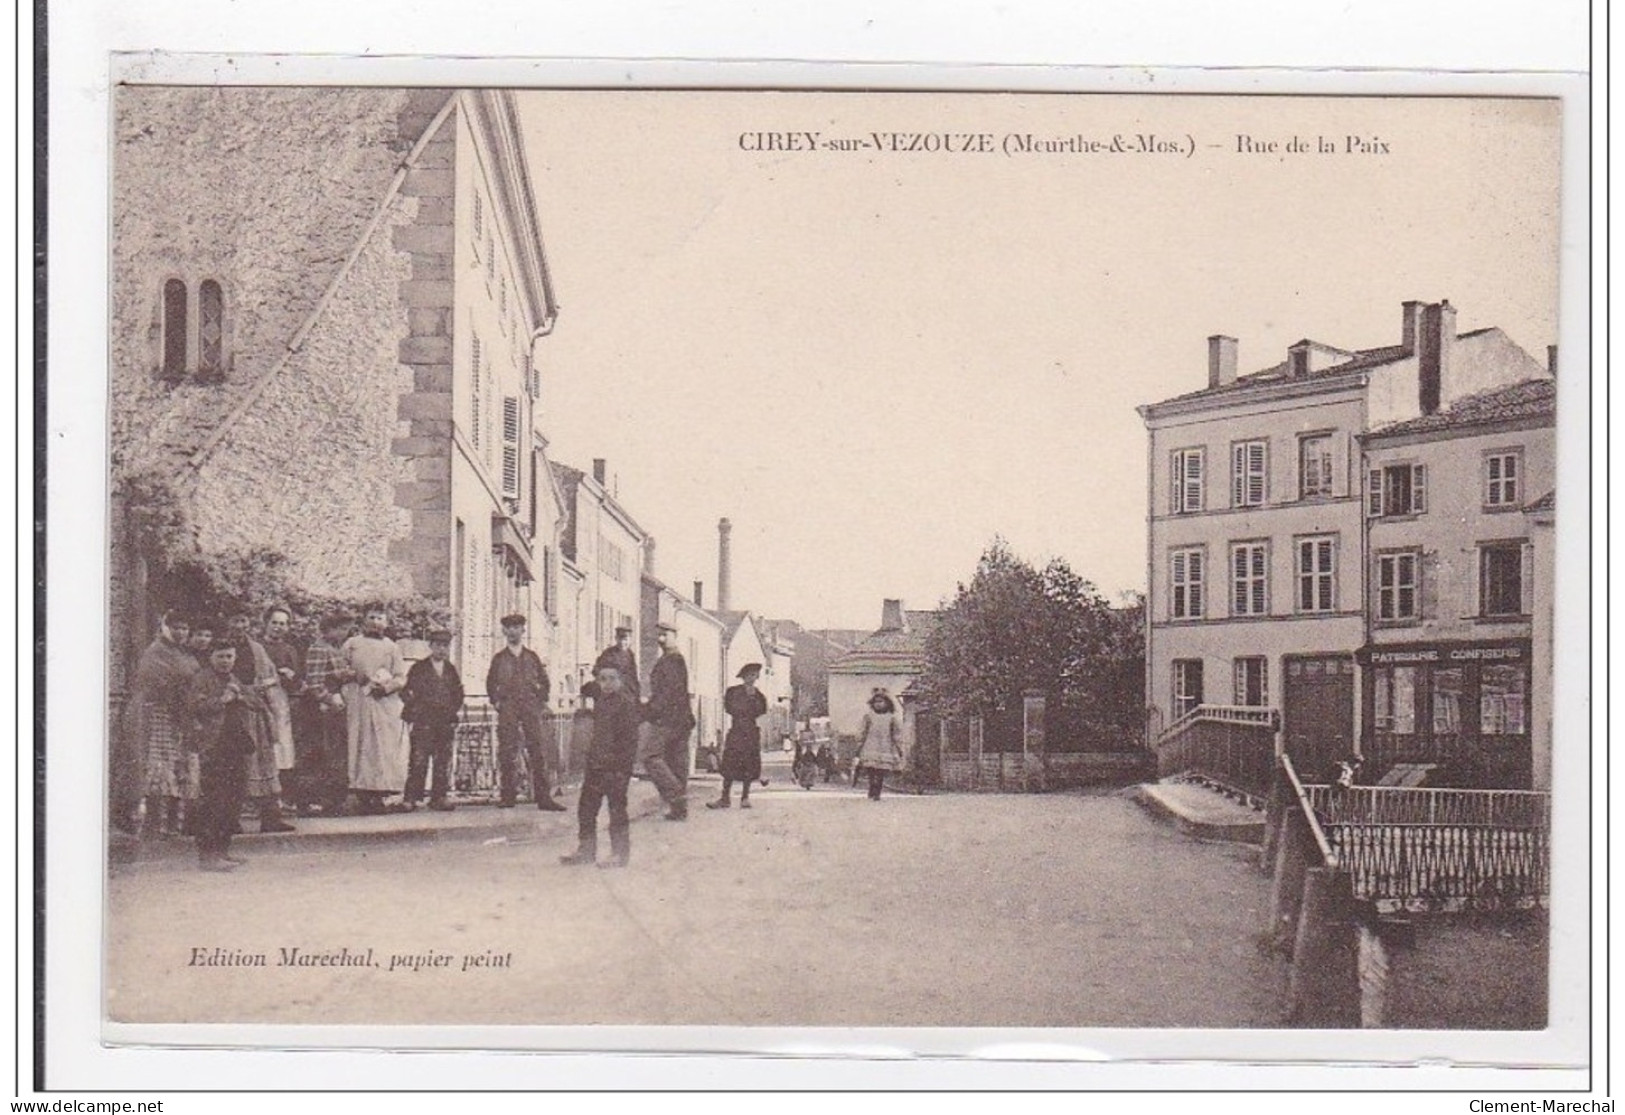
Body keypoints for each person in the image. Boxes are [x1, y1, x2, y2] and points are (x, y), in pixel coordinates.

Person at [121, 611, 199, 838]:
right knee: (160, 766)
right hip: (159, 713)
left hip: (180, 715)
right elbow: (158, 682)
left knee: (178, 766)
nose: (181, 632)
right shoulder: (156, 651)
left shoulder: (183, 651)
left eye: (185, 628)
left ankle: (175, 822)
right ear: (166, 627)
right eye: (177, 627)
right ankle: (154, 824)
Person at [184, 642, 255, 871]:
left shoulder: (234, 679)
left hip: (236, 746)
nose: (226, 661)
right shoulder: (202, 678)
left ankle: (223, 851)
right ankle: (208, 856)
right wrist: (222, 700)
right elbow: (194, 706)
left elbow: (258, 703)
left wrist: (242, 697)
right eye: (221, 656)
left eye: (230, 656)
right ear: (211, 657)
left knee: (232, 803)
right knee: (213, 802)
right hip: (213, 746)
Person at [560, 663, 640, 868]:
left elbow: (630, 740)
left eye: (611, 679)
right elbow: (587, 689)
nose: (606, 684)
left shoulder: (626, 704)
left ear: (620, 681)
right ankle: (586, 850)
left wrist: (623, 768)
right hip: (596, 764)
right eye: (602, 679)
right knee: (586, 809)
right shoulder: (602, 701)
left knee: (616, 811)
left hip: (616, 767)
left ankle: (619, 854)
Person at [224, 607, 296, 833]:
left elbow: (270, 676)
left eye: (243, 620)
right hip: (233, 712)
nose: (240, 625)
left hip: (258, 712)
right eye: (235, 620)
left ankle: (270, 817)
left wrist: (264, 687)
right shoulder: (222, 648)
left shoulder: (256, 648)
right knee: (236, 766)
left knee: (266, 762)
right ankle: (230, 820)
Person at [485, 614, 566, 811]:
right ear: (504, 631)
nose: (513, 631)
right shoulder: (499, 659)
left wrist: (539, 701)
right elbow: (490, 683)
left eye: (517, 627)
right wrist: (496, 702)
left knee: (537, 751)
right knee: (507, 751)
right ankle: (508, 796)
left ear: (523, 630)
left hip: (530, 709)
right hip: (508, 709)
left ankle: (543, 798)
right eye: (509, 628)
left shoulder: (532, 658)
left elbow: (545, 683)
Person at [341, 609, 409, 815]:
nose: (375, 622)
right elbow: (339, 667)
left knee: (382, 747)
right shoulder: (352, 644)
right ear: (364, 620)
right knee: (359, 744)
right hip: (359, 700)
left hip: (383, 704)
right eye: (371, 617)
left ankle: (380, 795)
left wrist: (386, 687)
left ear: (386, 622)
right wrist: (353, 675)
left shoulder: (392, 647)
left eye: (380, 618)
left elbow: (401, 677)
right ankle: (359, 794)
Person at [401, 629, 464, 811]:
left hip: (444, 721)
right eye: (438, 646)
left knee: (442, 760)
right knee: (418, 759)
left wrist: (453, 711)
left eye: (445, 646)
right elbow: (406, 691)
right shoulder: (419, 668)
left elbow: (458, 693)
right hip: (424, 721)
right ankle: (411, 798)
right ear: (431, 646)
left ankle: (439, 797)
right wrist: (414, 709)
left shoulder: (450, 670)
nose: (442, 650)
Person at [297, 613, 354, 815]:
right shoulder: (318, 649)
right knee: (319, 753)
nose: (344, 633)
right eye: (341, 629)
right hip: (320, 710)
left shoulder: (336, 649)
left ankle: (333, 801)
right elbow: (315, 683)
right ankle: (313, 801)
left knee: (335, 754)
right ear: (329, 629)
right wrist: (329, 699)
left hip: (336, 708)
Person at [640, 621, 695, 820]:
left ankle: (676, 796)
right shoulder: (674, 659)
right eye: (659, 635)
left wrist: (646, 711)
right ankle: (679, 810)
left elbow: (667, 694)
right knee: (676, 763)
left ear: (675, 635)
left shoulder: (671, 661)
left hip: (668, 719)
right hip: (681, 719)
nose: (661, 639)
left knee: (651, 756)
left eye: (665, 635)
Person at [708, 663, 768, 810]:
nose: (752, 678)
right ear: (743, 677)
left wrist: (751, 702)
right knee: (729, 764)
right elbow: (730, 707)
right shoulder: (733, 692)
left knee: (749, 764)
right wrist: (747, 707)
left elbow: (761, 710)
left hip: (751, 733)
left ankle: (745, 797)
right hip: (737, 732)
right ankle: (725, 797)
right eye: (749, 675)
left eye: (754, 675)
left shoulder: (758, 695)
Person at [260, 606, 302, 779]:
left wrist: (290, 676)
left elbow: (297, 681)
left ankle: (281, 784)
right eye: (274, 622)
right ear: (266, 623)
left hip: (281, 701)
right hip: (259, 698)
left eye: (283, 624)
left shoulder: (290, 650)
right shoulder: (257, 646)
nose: (278, 627)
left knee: (281, 741)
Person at [855, 688, 905, 800]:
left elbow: (896, 734)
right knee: (871, 770)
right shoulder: (868, 716)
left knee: (881, 771)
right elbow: (862, 731)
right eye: (876, 702)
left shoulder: (891, 718)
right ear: (872, 704)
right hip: (870, 746)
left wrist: (899, 747)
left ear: (887, 703)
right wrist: (859, 744)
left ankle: (878, 791)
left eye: (881, 702)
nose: (878, 704)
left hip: (885, 747)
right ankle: (872, 788)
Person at [594, 625, 639, 699]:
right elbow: (596, 670)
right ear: (616, 639)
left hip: (627, 693)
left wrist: (637, 695)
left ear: (630, 640)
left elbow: (634, 677)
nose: (622, 642)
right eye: (620, 639)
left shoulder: (631, 655)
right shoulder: (608, 653)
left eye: (625, 640)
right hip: (611, 693)